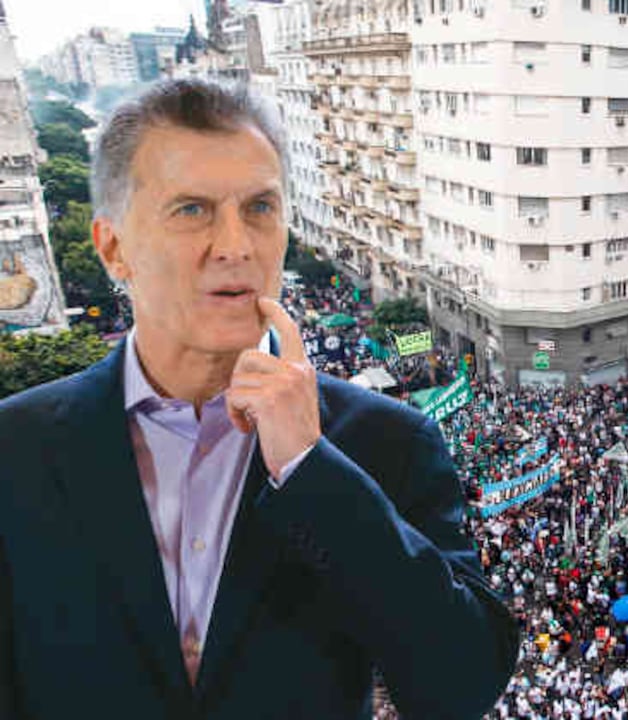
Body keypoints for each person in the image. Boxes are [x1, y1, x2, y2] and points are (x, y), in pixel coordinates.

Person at [0, 79, 517, 719]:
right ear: (113, 247)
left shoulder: (383, 441)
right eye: (191, 210)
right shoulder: (18, 451)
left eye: (260, 209)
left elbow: (462, 683)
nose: (236, 245)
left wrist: (309, 468)